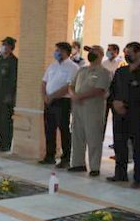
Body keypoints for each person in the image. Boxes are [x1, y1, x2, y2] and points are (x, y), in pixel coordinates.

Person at [108, 42, 140, 187]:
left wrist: (125, 105)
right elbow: (112, 90)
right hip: (118, 114)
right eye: (125, 52)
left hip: (135, 113)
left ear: (139, 53)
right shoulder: (121, 71)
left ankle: (138, 177)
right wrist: (115, 103)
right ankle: (120, 174)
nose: (126, 55)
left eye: (129, 52)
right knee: (119, 144)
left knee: (138, 146)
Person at [68, 45, 111, 177]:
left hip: (93, 110)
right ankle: (78, 163)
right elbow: (71, 85)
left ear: (101, 54)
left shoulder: (104, 72)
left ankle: (94, 167)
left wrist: (80, 96)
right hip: (78, 109)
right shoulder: (82, 70)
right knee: (77, 136)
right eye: (90, 51)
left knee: (94, 138)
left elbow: (99, 90)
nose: (91, 53)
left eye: (94, 51)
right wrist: (73, 95)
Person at [39, 42, 79, 168]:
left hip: (62, 102)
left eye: (59, 50)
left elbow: (68, 86)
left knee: (63, 130)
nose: (56, 53)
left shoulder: (73, 67)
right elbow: (44, 82)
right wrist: (45, 96)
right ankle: (49, 156)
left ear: (66, 52)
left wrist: (52, 96)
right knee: (49, 129)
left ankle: (65, 158)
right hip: (48, 102)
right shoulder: (52, 66)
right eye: (56, 50)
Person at [0, 37, 18, 152]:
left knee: (5, 120)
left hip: (6, 96)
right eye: (3, 44)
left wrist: (10, 95)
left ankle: (6, 143)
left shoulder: (14, 61)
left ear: (11, 47)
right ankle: (0, 140)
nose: (3, 47)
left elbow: (13, 80)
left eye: (5, 45)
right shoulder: (0, 59)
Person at [102, 43, 125, 138]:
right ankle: (100, 139)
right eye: (107, 50)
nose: (108, 52)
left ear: (116, 51)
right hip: (105, 93)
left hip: (116, 94)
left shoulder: (121, 63)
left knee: (117, 119)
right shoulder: (104, 63)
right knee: (103, 118)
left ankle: (117, 141)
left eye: (109, 50)